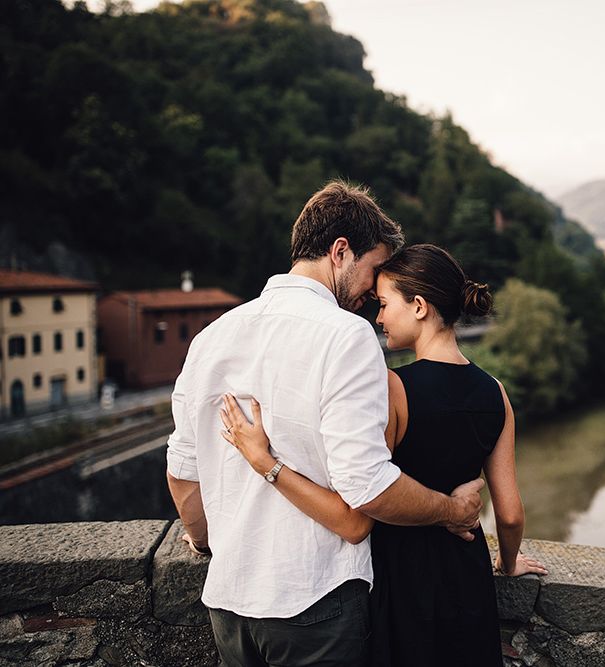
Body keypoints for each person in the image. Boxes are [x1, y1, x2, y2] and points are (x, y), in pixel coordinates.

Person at [166, 183, 486, 667]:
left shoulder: (212, 337)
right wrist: (449, 511)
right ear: (341, 252)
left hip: (229, 607)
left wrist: (211, 543)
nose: (369, 295)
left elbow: (183, 475)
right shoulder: (347, 335)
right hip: (315, 602)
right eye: (373, 270)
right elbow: (366, 489)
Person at [221, 243, 548, 667]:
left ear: (418, 306)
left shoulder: (392, 387)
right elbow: (509, 514)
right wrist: (505, 563)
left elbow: (366, 488)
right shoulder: (497, 393)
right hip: (465, 572)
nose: (377, 317)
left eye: (385, 303)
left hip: (400, 572)